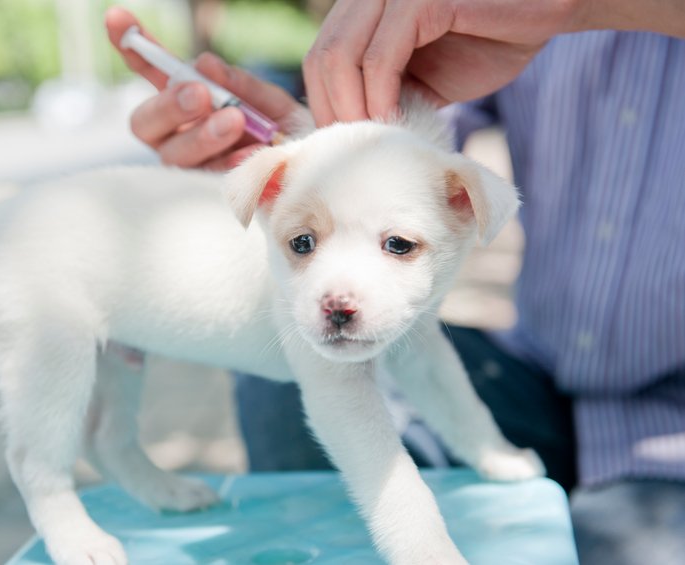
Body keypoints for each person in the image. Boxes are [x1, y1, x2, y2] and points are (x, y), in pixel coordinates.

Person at [105, 3, 685, 563]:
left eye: (399, 248)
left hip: (669, 424)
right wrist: (316, 145)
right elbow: (411, 145)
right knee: (291, 345)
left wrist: (584, 6)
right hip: (531, 368)